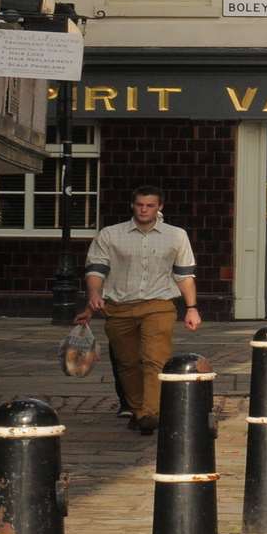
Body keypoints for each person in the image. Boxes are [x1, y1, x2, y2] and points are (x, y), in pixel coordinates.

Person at [77, 186, 202, 435]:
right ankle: (138, 409)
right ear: (132, 206)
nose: (144, 210)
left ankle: (150, 413)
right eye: (140, 205)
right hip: (119, 306)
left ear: (160, 207)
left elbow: (184, 275)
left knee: (155, 358)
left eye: (150, 205)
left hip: (159, 305)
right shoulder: (110, 235)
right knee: (127, 362)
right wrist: (93, 295)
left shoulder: (176, 236)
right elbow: (96, 269)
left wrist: (191, 308)